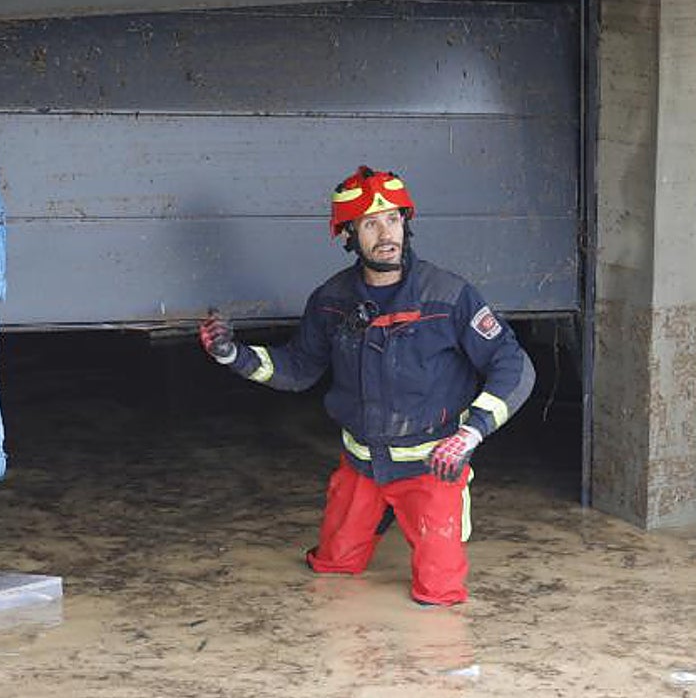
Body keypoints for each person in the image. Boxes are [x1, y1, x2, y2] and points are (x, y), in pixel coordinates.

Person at [198, 167, 535, 606]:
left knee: (438, 594)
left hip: (432, 468)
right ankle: (373, 523)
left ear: (406, 224)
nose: (385, 233)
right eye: (370, 224)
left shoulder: (449, 296)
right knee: (332, 569)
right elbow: (299, 367)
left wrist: (472, 433)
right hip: (361, 468)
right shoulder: (332, 300)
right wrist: (233, 355)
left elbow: (514, 365)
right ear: (350, 235)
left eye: (393, 219)